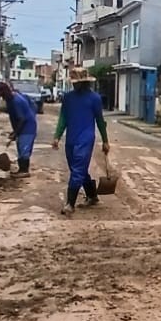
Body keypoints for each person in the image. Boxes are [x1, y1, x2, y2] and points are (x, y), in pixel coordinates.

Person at [51, 71, 109, 215]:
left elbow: (100, 121)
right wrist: (57, 136)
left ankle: (70, 204)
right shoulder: (68, 98)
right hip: (71, 139)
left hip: (86, 139)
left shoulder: (94, 98)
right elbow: (63, 117)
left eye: (78, 83)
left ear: (85, 82)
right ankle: (92, 195)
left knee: (77, 170)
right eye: (74, 83)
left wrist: (105, 140)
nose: (75, 85)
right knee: (77, 169)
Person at [0, 82, 37, 175]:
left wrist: (16, 132)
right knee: (21, 148)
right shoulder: (12, 98)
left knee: (24, 150)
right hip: (25, 126)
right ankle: (21, 170)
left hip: (27, 128)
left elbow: (21, 119)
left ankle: (24, 171)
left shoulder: (16, 101)